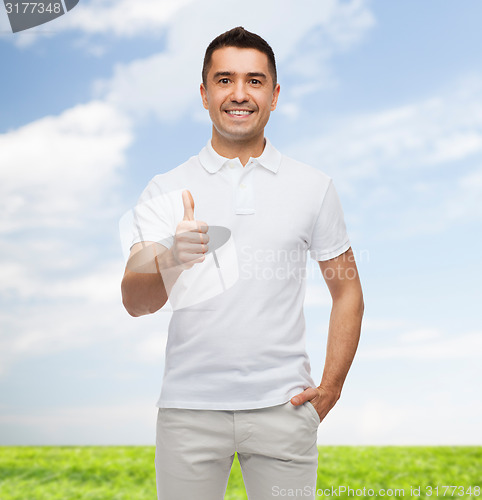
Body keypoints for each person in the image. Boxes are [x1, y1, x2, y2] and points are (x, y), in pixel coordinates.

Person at [121, 26, 364, 500]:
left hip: (284, 409)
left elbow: (348, 291)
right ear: (204, 93)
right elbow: (134, 302)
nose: (239, 93)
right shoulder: (165, 188)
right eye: (224, 79)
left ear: (274, 96)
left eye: (254, 81)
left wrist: (330, 387)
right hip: (188, 412)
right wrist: (172, 257)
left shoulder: (313, 186)